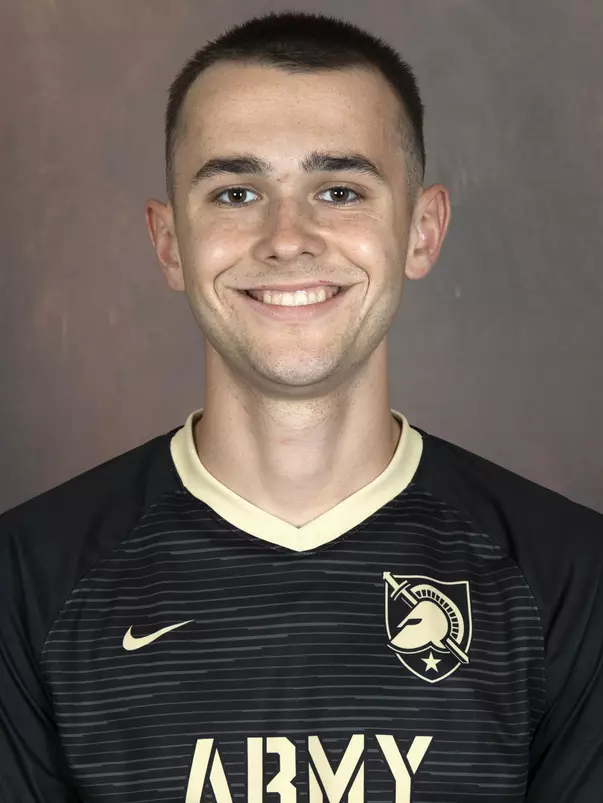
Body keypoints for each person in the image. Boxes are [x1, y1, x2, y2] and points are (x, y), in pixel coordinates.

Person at [1, 10, 602, 803]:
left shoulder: (567, 575)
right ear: (170, 242)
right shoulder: (27, 576)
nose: (288, 238)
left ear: (421, 231)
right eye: (237, 191)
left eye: (340, 189)